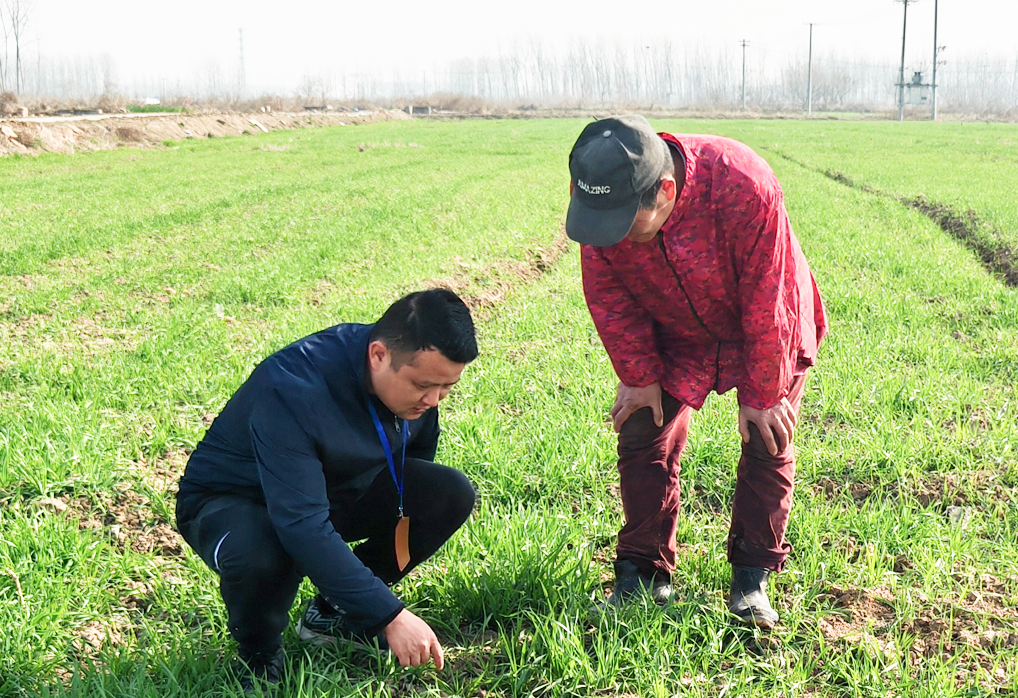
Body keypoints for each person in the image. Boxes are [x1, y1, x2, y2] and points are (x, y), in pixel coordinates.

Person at [566, 115, 828, 628]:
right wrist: (638, 374)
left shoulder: (741, 182)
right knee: (642, 428)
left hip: (763, 316)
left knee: (766, 433)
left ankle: (751, 578)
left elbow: (767, 296)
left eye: (626, 228)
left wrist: (764, 387)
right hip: (673, 322)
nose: (611, 240)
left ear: (664, 190)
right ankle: (643, 571)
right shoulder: (603, 207)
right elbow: (608, 293)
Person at [175, 289, 479, 689]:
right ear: (378, 355)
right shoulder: (294, 388)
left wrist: (363, 591)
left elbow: (414, 464)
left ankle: (330, 614)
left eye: (447, 387)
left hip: (330, 488)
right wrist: (389, 615)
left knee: (448, 492)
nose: (434, 400)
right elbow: (300, 523)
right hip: (237, 500)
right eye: (425, 385)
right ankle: (259, 658)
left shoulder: (416, 392)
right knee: (265, 554)